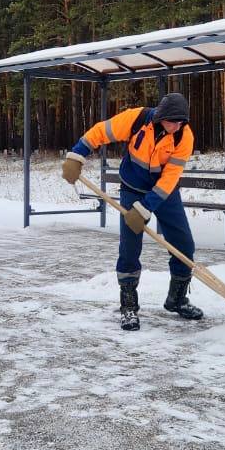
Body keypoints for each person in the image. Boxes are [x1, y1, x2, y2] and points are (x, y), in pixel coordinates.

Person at [62, 92, 200, 331]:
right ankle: (128, 306)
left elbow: (170, 177)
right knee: (129, 247)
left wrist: (147, 207)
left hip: (163, 194)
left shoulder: (184, 137)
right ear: (161, 116)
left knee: (183, 245)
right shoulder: (137, 119)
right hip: (132, 189)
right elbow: (100, 132)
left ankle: (176, 299)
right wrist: (77, 156)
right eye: (172, 121)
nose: (176, 126)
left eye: (181, 122)